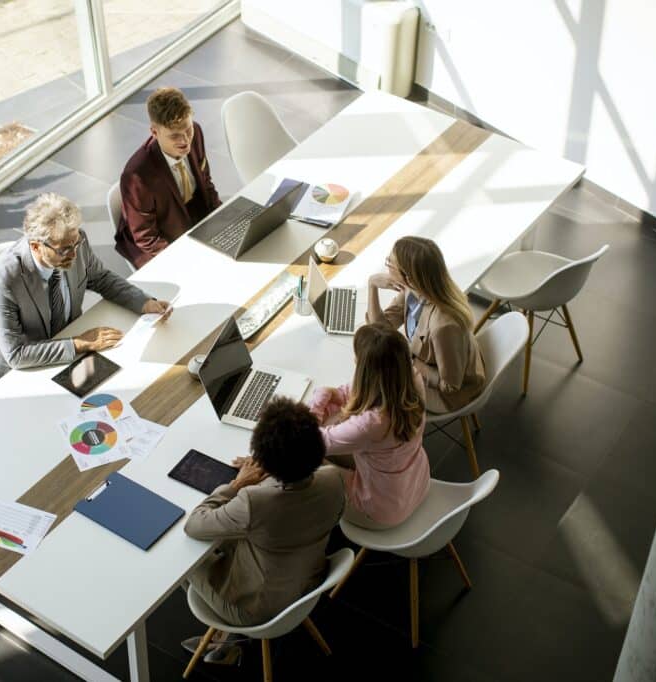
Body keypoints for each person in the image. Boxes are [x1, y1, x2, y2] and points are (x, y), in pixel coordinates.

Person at [182, 397, 344, 664]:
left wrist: (236, 484)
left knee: (182, 559)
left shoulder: (255, 502)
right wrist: (270, 469)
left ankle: (227, 639)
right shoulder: (334, 479)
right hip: (306, 583)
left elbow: (195, 524)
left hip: (253, 609)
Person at [0, 192, 172, 390]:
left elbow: (100, 278)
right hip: (16, 371)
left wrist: (144, 303)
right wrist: (80, 343)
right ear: (35, 246)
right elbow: (16, 354)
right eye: (64, 250)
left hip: (67, 346)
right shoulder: (4, 279)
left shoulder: (75, 241)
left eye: (76, 244)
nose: (74, 254)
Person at [310, 323, 430, 529]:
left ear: (366, 369)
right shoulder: (411, 380)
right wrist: (339, 394)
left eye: (357, 357)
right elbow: (356, 390)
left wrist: (319, 398)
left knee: (305, 458)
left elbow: (309, 441)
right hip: (416, 484)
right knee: (334, 423)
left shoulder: (372, 423)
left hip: (381, 511)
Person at [368, 236, 486, 413]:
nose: (387, 267)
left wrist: (411, 360)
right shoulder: (415, 290)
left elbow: (450, 386)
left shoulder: (444, 327)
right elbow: (380, 328)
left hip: (448, 396)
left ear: (408, 277)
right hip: (430, 365)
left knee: (376, 387)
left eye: (389, 263)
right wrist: (372, 285)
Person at [115, 86, 222, 269]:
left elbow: (206, 183)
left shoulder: (196, 132)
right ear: (155, 133)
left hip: (190, 212)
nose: (185, 141)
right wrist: (186, 259)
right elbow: (146, 237)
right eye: (175, 136)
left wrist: (223, 218)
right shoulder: (137, 176)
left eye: (187, 130)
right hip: (157, 239)